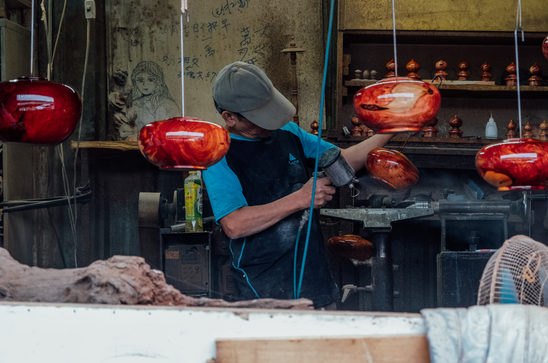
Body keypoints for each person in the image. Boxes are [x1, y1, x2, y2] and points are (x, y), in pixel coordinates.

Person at [204, 62, 392, 308]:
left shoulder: (288, 132)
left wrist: (392, 126)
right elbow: (235, 224)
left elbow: (343, 161)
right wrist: (301, 199)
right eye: (262, 117)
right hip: (262, 289)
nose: (272, 123)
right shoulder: (217, 154)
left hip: (314, 277)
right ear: (230, 118)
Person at [129, 61, 181, 130]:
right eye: (140, 80)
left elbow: (179, 127)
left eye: (150, 80)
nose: (145, 84)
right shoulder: (134, 105)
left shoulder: (169, 104)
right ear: (135, 82)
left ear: (158, 81)